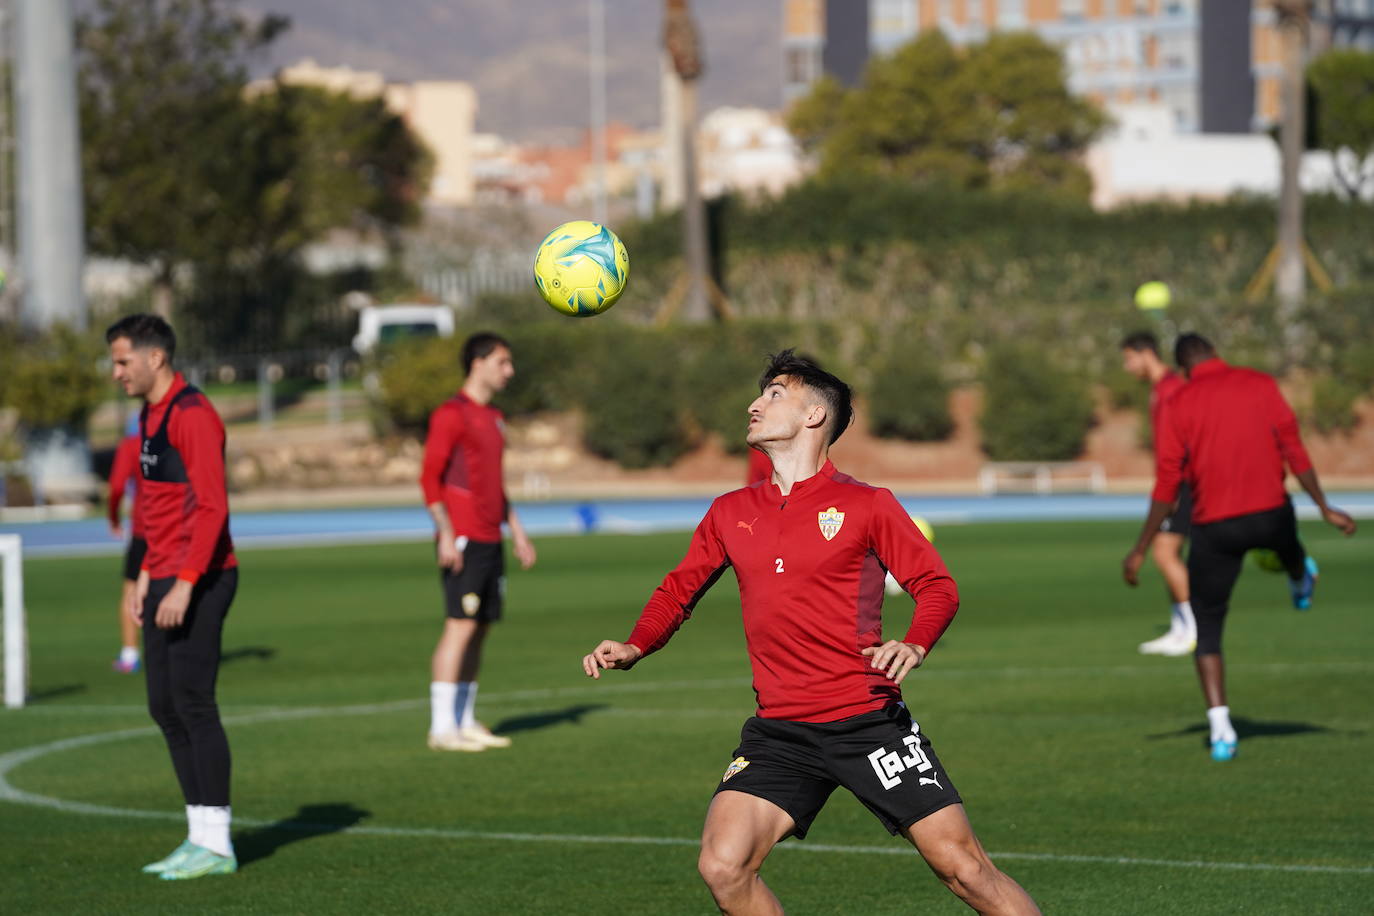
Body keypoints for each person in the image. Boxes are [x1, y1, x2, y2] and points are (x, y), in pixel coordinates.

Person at [582, 351, 1039, 915]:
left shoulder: (868, 504)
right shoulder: (729, 511)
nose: (754, 404)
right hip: (779, 733)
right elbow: (678, 590)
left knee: (964, 870)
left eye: (774, 394)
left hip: (866, 722)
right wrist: (636, 644)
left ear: (815, 416)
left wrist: (915, 641)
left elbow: (937, 585)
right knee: (723, 866)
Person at [1122, 333, 1356, 762]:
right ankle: (1300, 573)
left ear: (1185, 367)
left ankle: (1221, 729)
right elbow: (1293, 447)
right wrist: (1325, 507)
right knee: (1287, 541)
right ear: (1215, 354)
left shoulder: (1180, 400)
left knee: (1209, 632)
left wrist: (1140, 547)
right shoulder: (1260, 383)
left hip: (1215, 529)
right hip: (1271, 514)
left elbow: (1167, 481)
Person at [107, 314, 239, 879]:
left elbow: (212, 508)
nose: (115, 372)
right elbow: (151, 508)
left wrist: (184, 583)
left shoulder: (193, 415)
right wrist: (139, 576)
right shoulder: (149, 414)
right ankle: (198, 835)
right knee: (163, 706)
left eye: (121, 360)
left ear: (155, 357)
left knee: (193, 703)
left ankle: (219, 845)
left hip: (202, 578)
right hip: (161, 577)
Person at [420, 332, 536, 752]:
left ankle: (464, 719)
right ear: (479, 363)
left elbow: (493, 484)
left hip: (491, 539)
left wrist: (517, 531)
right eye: (503, 362)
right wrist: (447, 534)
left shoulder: (494, 417)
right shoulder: (451, 414)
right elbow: (429, 479)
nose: (510, 371)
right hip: (464, 539)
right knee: (460, 627)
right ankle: (441, 728)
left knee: (480, 629)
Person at [1120, 331, 1196, 656]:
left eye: (1128, 359)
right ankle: (1179, 628)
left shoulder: (1170, 389)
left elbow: (1183, 441)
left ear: (1145, 353)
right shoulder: (1161, 389)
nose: (1127, 367)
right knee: (1168, 554)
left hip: (1182, 482)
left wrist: (1174, 486)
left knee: (1164, 553)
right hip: (1177, 481)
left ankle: (1192, 629)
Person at [108, 412, 145, 673]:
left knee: (131, 592)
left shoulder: (130, 445)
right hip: (176, 529)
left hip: (144, 529)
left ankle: (130, 654)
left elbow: (117, 486)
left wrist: (114, 519)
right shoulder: (174, 439)